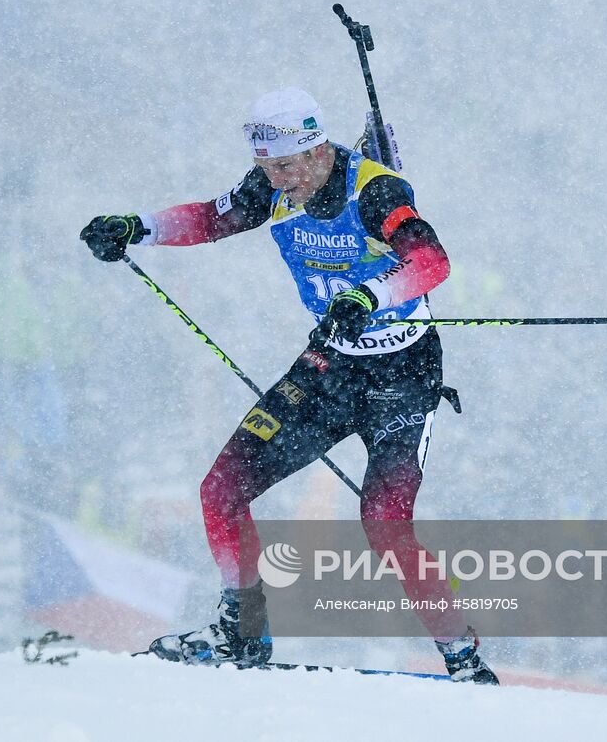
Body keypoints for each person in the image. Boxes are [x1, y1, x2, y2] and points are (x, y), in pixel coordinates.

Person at [80, 87, 497, 683]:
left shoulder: (376, 191)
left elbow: (432, 262)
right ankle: (241, 633)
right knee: (220, 491)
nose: (274, 180)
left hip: (402, 375)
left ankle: (464, 659)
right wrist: (136, 227)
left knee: (383, 524)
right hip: (330, 367)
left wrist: (370, 294)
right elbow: (208, 219)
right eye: (265, 168)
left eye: (282, 166)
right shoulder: (272, 189)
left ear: (315, 149)